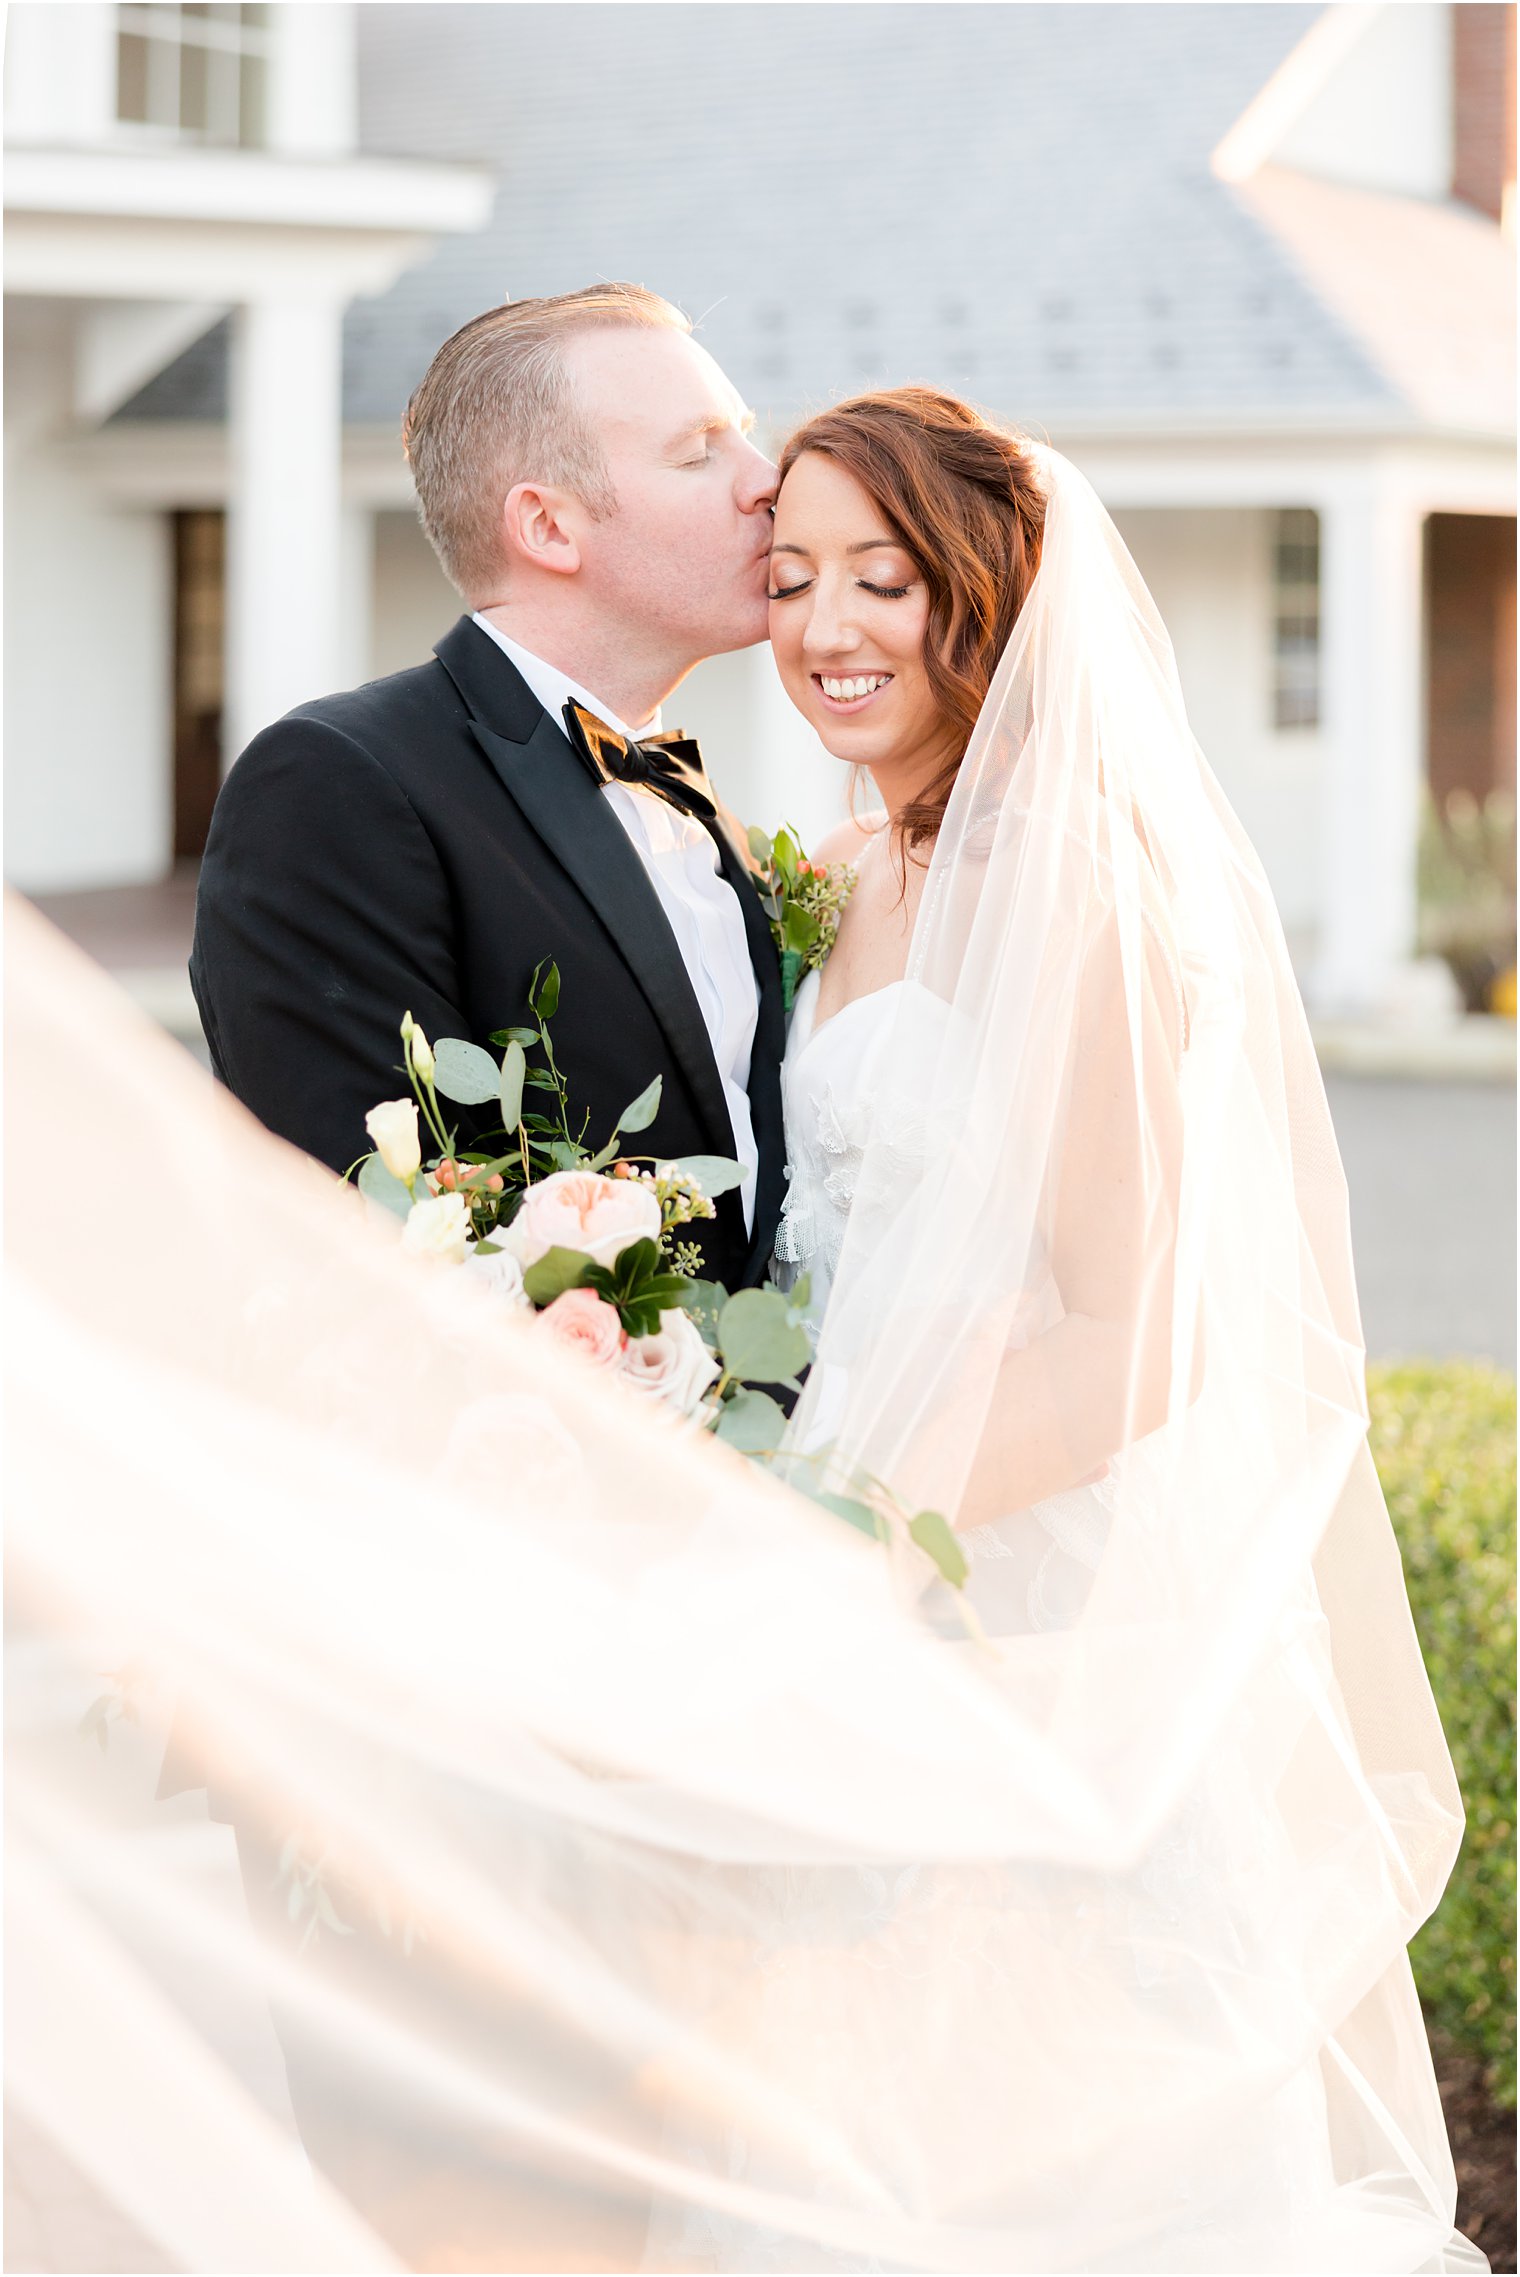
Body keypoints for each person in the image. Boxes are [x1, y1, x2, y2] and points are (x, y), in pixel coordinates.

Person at [627, 384, 1476, 2272]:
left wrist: (850, 1549)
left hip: (1022, 1606)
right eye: (790, 576)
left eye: (885, 575)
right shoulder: (822, 880)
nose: (828, 623)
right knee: (839, 2138)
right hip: (833, 1602)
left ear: (985, 596)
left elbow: (1138, 1332)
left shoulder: (1083, 886)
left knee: (1058, 2149)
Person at [190, 283, 786, 1294]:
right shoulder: (338, 783)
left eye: (746, 440)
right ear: (548, 527)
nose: (767, 482)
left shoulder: (699, 807)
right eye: (698, 453)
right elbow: (357, 1238)